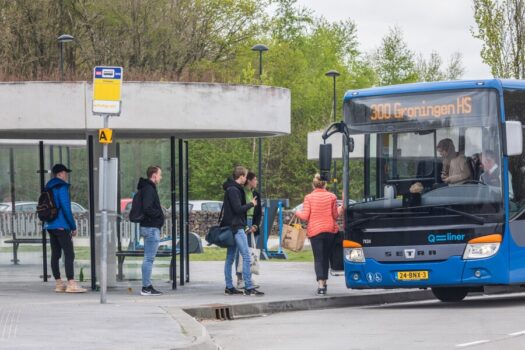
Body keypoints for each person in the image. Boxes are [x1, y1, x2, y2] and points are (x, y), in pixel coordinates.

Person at [295, 174, 341, 295]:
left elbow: (305, 216)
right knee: (326, 257)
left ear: (313, 184)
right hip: (330, 230)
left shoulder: (308, 197)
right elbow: (336, 216)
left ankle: (321, 285)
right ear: (325, 184)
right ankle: (324, 282)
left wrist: (296, 212)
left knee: (319, 258)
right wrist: (341, 208)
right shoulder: (332, 196)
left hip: (315, 232)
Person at [221, 166, 264, 296]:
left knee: (230, 258)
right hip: (236, 228)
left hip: (233, 226)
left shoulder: (232, 188)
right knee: (246, 256)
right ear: (241, 176)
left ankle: (229, 287)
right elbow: (238, 209)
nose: (246, 178)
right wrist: (251, 204)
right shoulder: (234, 190)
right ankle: (248, 287)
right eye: (245, 176)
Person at [45, 164, 86, 293]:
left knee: (55, 254)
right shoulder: (61, 187)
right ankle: (71, 283)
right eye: (65, 172)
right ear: (60, 174)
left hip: (50, 224)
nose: (66, 175)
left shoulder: (48, 187)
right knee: (69, 253)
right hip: (61, 225)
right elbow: (66, 209)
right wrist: (73, 226)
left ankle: (58, 283)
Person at [137, 166, 165, 296]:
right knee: (149, 258)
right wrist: (159, 215)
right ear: (154, 175)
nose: (161, 177)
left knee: (148, 258)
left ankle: (146, 286)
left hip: (149, 227)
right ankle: (146, 287)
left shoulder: (148, 188)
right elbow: (147, 208)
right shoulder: (149, 189)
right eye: (160, 175)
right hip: (151, 227)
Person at [236, 171, 262, 289]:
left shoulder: (256, 194)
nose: (256, 181)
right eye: (255, 179)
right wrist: (245, 226)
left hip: (253, 224)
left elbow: (259, 212)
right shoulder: (241, 192)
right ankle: (240, 278)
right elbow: (239, 210)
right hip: (243, 223)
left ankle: (249, 277)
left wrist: (255, 226)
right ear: (249, 181)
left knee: (251, 251)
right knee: (241, 251)